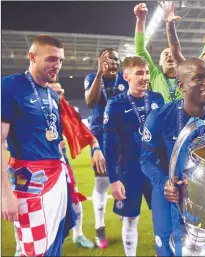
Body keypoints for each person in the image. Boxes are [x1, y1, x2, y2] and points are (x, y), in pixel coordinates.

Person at [140, 57, 205, 256]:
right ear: (182, 86)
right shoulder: (160, 117)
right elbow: (145, 160)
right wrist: (164, 183)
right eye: (199, 78)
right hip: (169, 196)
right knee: (168, 251)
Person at [1, 35, 75, 256]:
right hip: (30, 182)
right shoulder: (10, 86)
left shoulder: (52, 94)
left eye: (60, 60)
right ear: (32, 56)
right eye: (52, 59)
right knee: (35, 249)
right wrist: (5, 195)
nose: (58, 65)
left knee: (55, 242)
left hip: (56, 178)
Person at [103, 56, 164, 256]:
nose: (145, 77)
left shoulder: (157, 99)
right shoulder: (115, 104)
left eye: (146, 72)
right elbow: (108, 145)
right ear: (126, 76)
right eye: (139, 73)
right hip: (129, 171)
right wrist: (113, 179)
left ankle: (162, 252)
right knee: (130, 219)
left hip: (155, 170)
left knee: (162, 217)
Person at [50, 82, 107, 249]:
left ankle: (79, 235)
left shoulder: (66, 110)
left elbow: (84, 131)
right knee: (33, 205)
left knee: (74, 198)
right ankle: (21, 245)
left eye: (60, 92)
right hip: (36, 164)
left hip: (60, 160)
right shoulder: (31, 109)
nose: (58, 96)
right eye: (54, 92)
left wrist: (95, 146)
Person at [84, 48, 128, 248]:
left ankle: (124, 217)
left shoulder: (125, 79)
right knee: (102, 184)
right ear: (100, 61)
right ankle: (99, 227)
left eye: (116, 59)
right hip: (101, 139)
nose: (112, 62)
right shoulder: (93, 77)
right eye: (108, 58)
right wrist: (100, 74)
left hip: (123, 139)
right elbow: (90, 102)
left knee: (124, 181)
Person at [134, 2, 205, 103]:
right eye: (165, 54)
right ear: (160, 62)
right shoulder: (154, 75)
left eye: (172, 54)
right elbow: (140, 50)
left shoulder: (188, 73)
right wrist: (140, 19)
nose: (170, 56)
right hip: (162, 118)